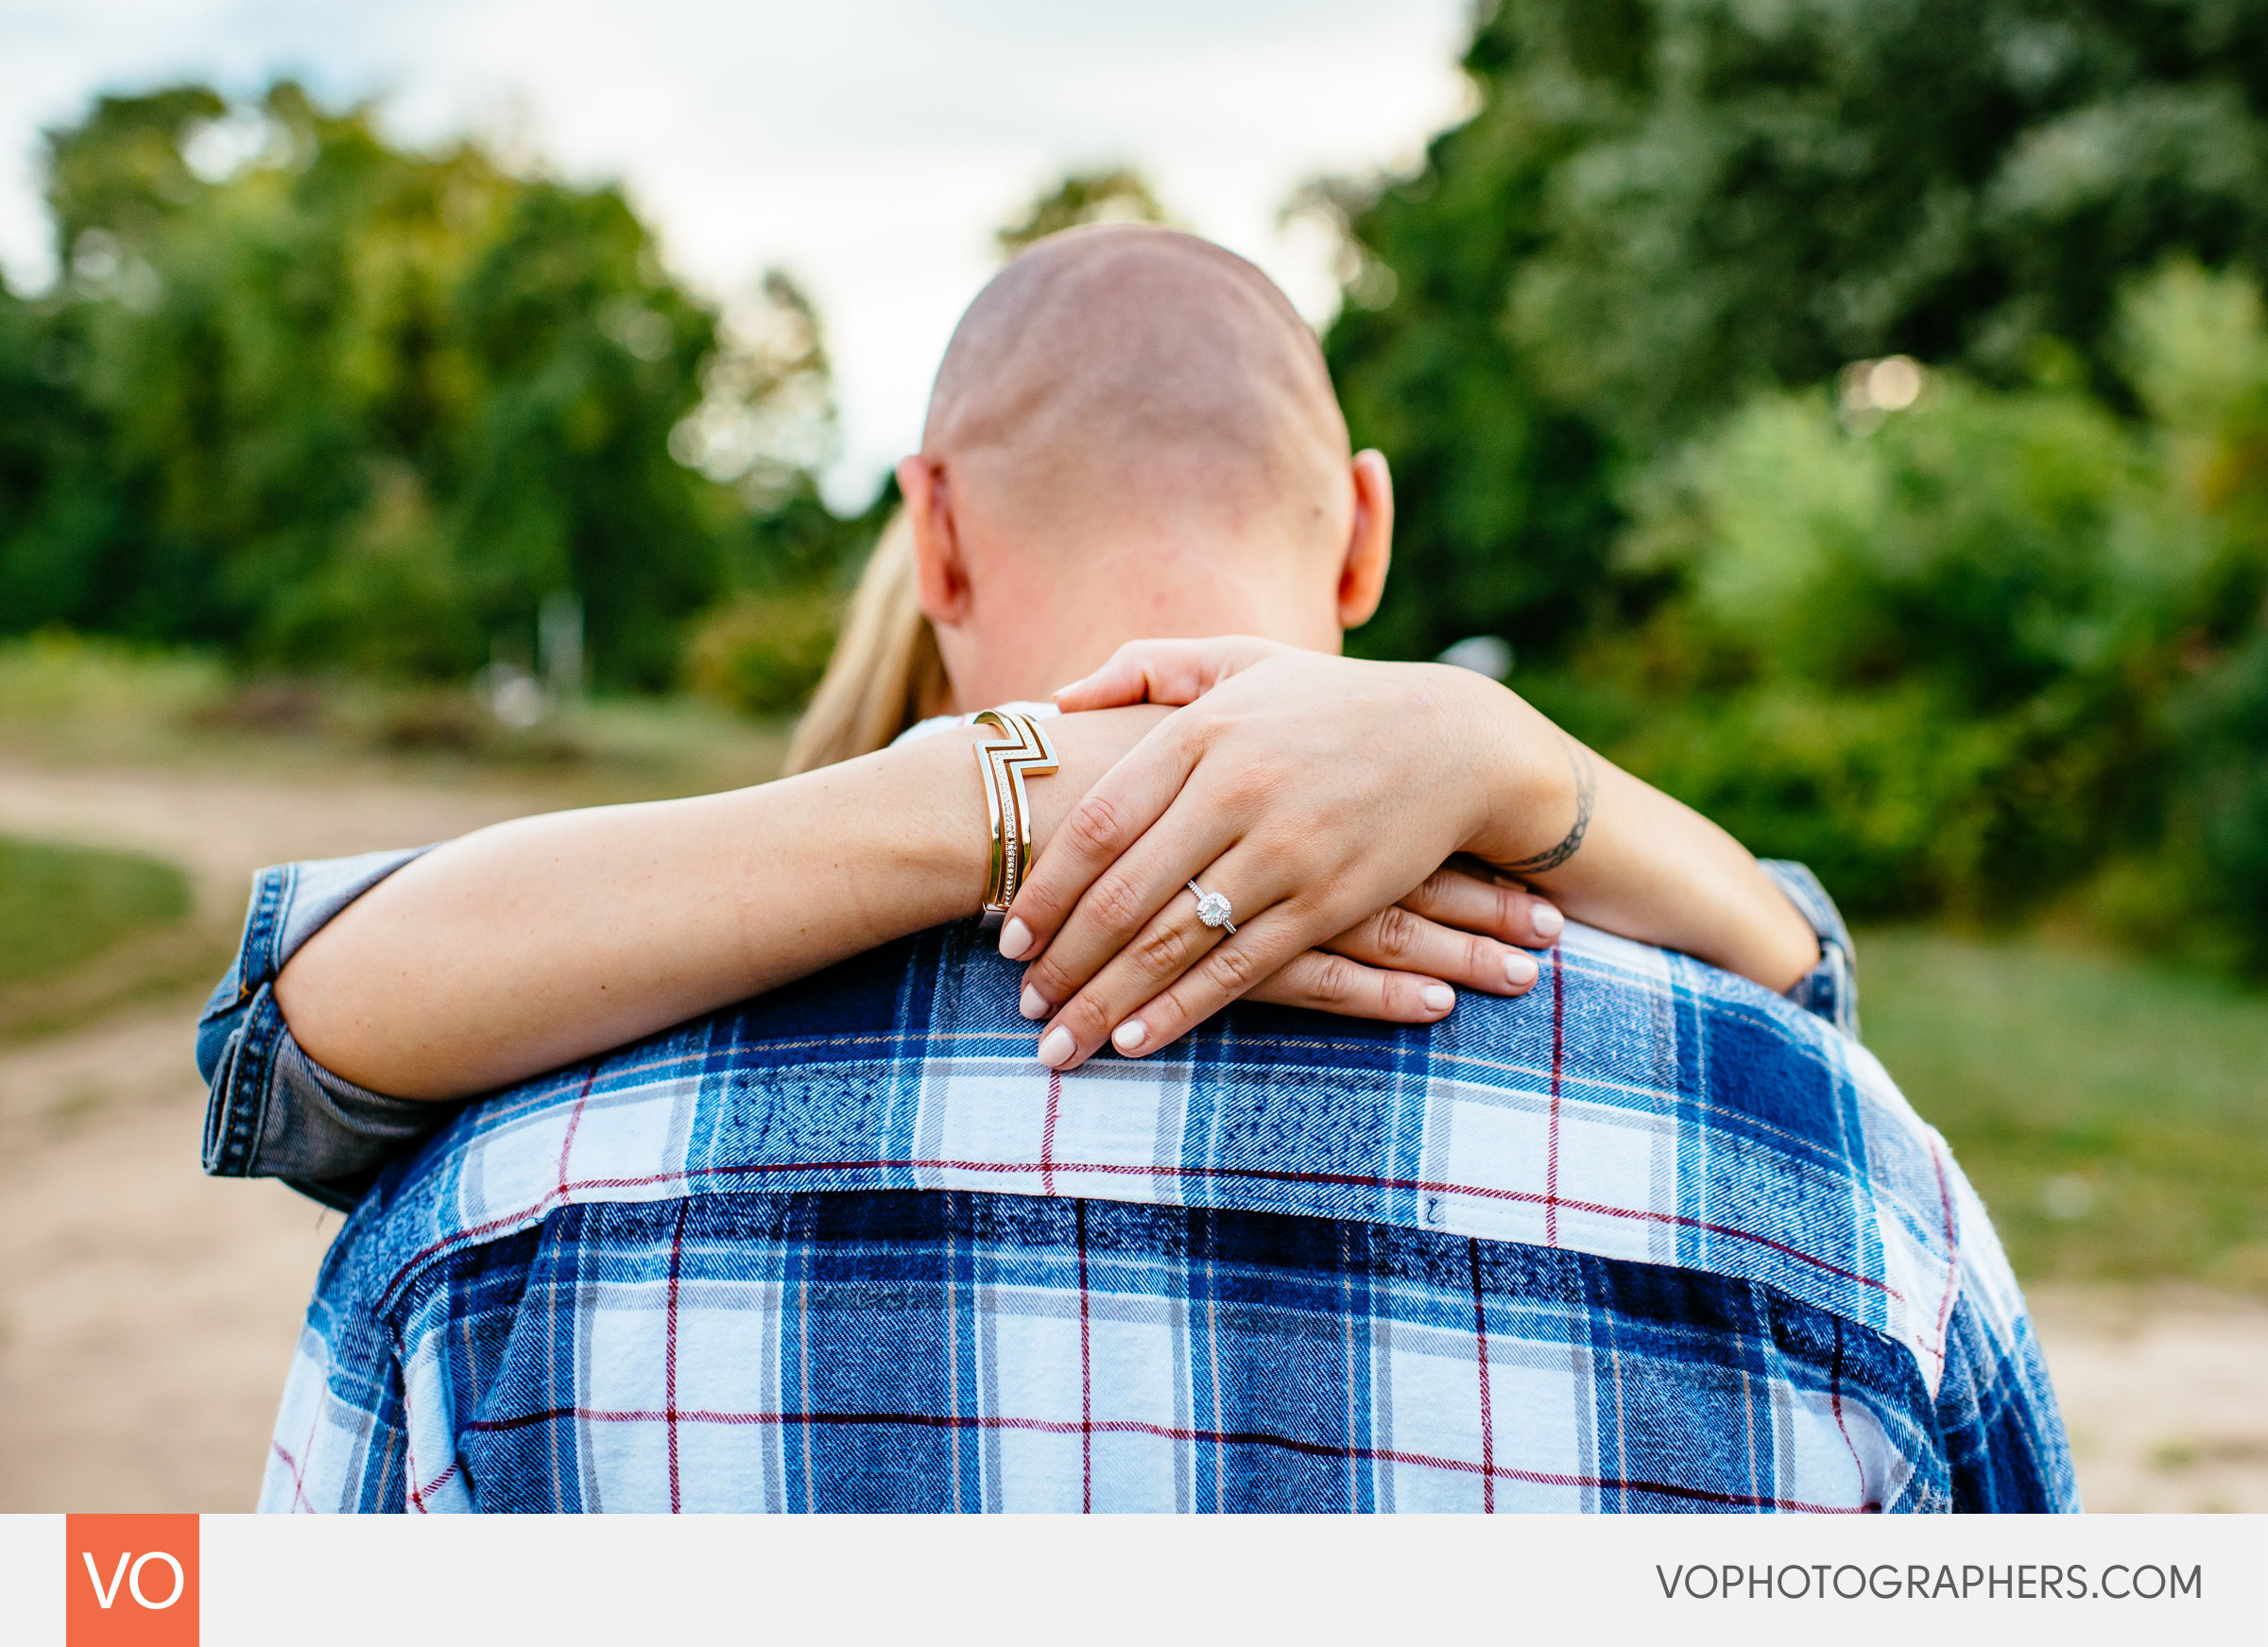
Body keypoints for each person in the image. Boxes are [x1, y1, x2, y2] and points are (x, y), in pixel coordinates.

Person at [205, 226, 2074, 1511]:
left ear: (932, 534)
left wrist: (1003, 790)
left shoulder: (501, 1205)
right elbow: (1808, 1000)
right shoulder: (1829, 1178)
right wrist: (1504, 766)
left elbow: (284, 1048)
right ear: (1361, 537)